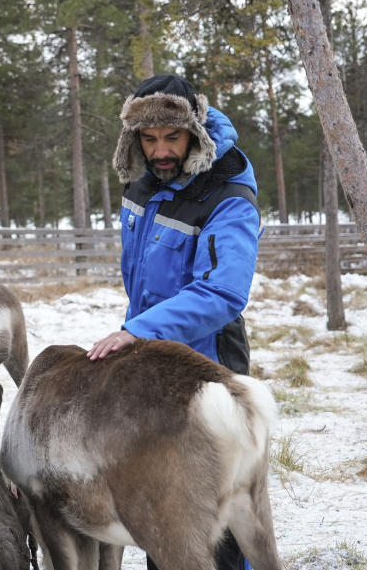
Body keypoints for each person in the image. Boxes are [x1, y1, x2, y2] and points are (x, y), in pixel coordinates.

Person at [86, 74, 262, 570]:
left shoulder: (226, 193)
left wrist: (138, 331)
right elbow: (141, 283)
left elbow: (225, 291)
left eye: (172, 137)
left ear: (195, 133)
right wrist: (134, 338)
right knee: (162, 501)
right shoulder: (144, 186)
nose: (160, 151)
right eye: (148, 138)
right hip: (148, 361)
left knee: (217, 511)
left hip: (207, 368)